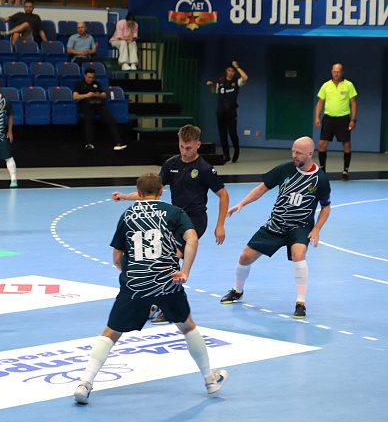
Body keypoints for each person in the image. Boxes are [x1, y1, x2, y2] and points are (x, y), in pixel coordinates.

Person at [73, 172, 228, 404]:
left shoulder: (128, 215)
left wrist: (131, 275)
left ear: (138, 192)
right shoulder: (174, 212)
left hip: (134, 285)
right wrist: (185, 271)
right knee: (187, 327)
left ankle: (85, 384)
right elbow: (192, 239)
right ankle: (209, 380)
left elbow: (116, 258)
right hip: (168, 282)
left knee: (111, 333)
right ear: (161, 191)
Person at [111, 124, 228, 324]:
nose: (184, 151)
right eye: (181, 146)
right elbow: (151, 191)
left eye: (188, 148)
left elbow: (223, 195)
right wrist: (124, 197)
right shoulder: (171, 164)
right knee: (156, 255)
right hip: (172, 219)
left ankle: (166, 306)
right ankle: (155, 297)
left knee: (172, 256)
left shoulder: (204, 169)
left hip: (194, 220)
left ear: (198, 145)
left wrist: (220, 225)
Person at [220, 136, 331, 320]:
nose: (294, 155)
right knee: (245, 257)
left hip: (300, 226)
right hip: (276, 223)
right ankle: (237, 291)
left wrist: (316, 229)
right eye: (293, 151)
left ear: (310, 154)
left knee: (299, 254)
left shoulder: (320, 179)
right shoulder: (285, 169)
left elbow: (326, 207)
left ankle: (301, 303)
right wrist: (242, 203)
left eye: (299, 153)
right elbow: (262, 188)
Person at [314, 63, 358, 180]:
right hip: (328, 118)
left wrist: (353, 119)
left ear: (342, 72)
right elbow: (320, 102)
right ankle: (322, 169)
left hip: (343, 119)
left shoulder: (348, 85)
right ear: (331, 72)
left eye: (338, 71)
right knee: (322, 143)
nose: (336, 73)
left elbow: (353, 102)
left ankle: (345, 170)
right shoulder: (326, 85)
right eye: (334, 71)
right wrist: (317, 117)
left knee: (346, 144)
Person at [73, 68, 127, 151]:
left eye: (92, 77)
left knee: (110, 119)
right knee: (89, 119)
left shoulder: (96, 84)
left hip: (99, 104)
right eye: (89, 77)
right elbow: (75, 96)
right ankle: (89, 143)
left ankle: (118, 142)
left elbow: (104, 95)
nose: (90, 79)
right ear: (85, 76)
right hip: (86, 105)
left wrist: (98, 95)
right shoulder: (79, 84)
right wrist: (87, 95)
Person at [206, 61, 248, 163]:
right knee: (222, 134)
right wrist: (211, 85)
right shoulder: (220, 81)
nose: (231, 73)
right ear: (226, 71)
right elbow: (214, 92)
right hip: (220, 112)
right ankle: (226, 154)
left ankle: (236, 150)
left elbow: (245, 78)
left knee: (232, 133)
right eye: (229, 70)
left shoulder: (236, 82)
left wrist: (237, 67)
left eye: (233, 71)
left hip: (231, 112)